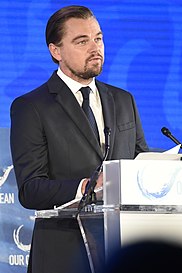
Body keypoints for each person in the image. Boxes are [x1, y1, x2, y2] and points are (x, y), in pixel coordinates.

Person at [10, 5, 148, 273]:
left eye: (98, 38)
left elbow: (138, 162)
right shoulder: (32, 107)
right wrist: (87, 187)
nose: (94, 47)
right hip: (63, 254)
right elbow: (31, 189)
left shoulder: (123, 100)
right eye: (81, 41)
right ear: (56, 51)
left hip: (121, 251)